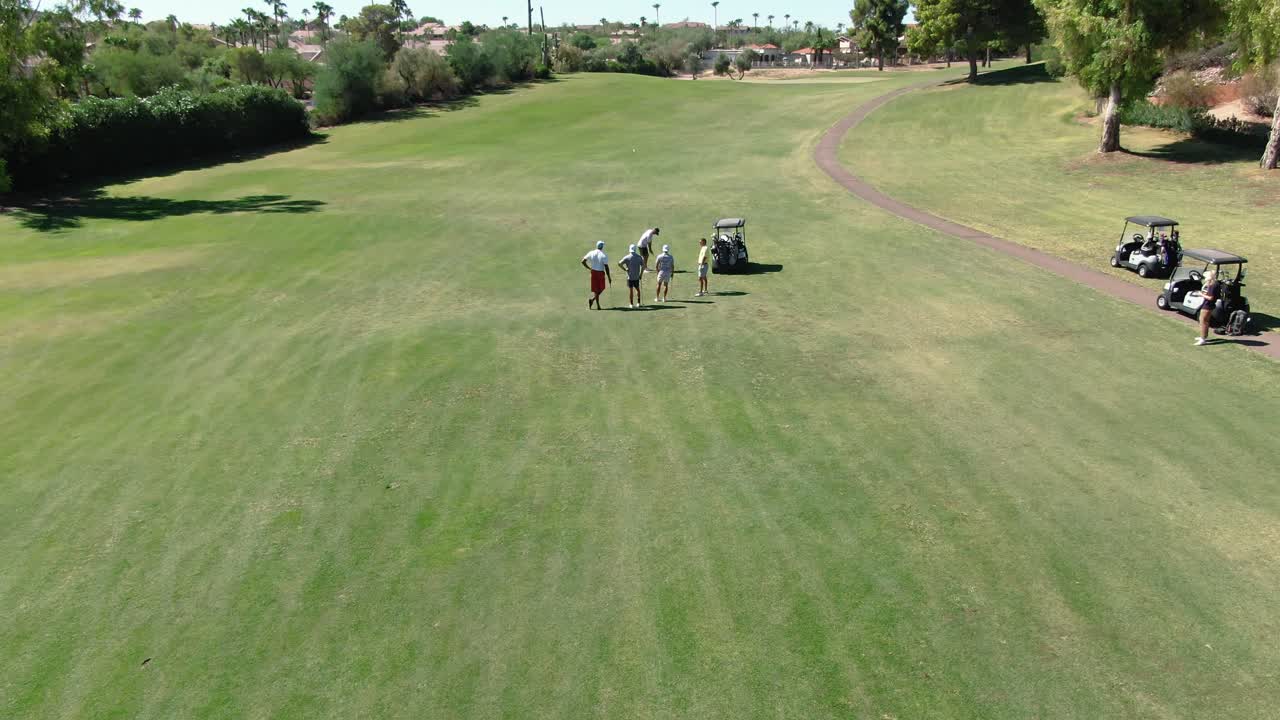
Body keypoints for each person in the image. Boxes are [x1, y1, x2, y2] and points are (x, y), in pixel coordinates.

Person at [581, 241, 610, 309]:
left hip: (593, 272)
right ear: (602, 247)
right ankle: (598, 306)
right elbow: (606, 267)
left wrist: (589, 268)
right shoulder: (603, 255)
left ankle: (592, 300)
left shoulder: (591, 252)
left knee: (597, 289)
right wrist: (609, 277)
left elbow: (583, 261)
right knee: (601, 288)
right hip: (600, 273)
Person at [618, 244, 645, 308]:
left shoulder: (627, 257)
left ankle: (631, 304)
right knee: (638, 289)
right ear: (635, 249)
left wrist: (625, 269)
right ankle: (638, 303)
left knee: (631, 291)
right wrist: (640, 274)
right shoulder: (639, 257)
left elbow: (619, 263)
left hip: (629, 277)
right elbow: (643, 266)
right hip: (636, 277)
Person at [1196, 269, 1218, 346]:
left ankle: (1203, 339)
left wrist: (1201, 294)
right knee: (1205, 321)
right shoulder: (1213, 284)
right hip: (1209, 304)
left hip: (1208, 305)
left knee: (1203, 321)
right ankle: (1204, 336)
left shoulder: (1213, 285)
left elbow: (1210, 298)